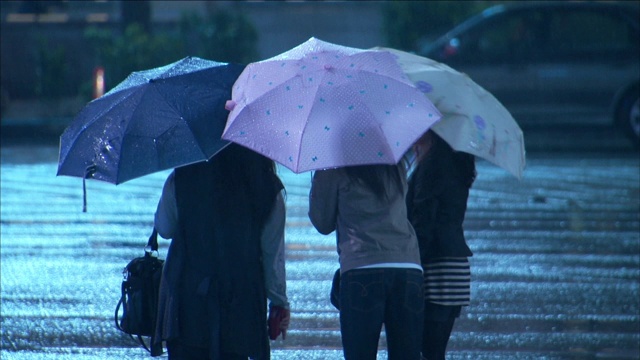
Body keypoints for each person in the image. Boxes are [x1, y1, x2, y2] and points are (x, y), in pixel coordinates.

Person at [152, 143, 290, 360]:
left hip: (187, 306)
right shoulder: (267, 188)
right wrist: (279, 302)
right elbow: (273, 257)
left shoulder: (182, 177)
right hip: (240, 308)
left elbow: (165, 228)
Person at [308, 163, 424, 360]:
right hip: (407, 266)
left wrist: (318, 180)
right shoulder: (395, 164)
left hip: (362, 267)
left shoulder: (333, 166)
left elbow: (322, 222)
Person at [405, 130, 476, 360]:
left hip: (435, 266)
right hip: (455, 267)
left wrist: (413, 262)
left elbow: (424, 219)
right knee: (435, 352)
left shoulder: (434, 164)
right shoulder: (455, 160)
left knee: (426, 349)